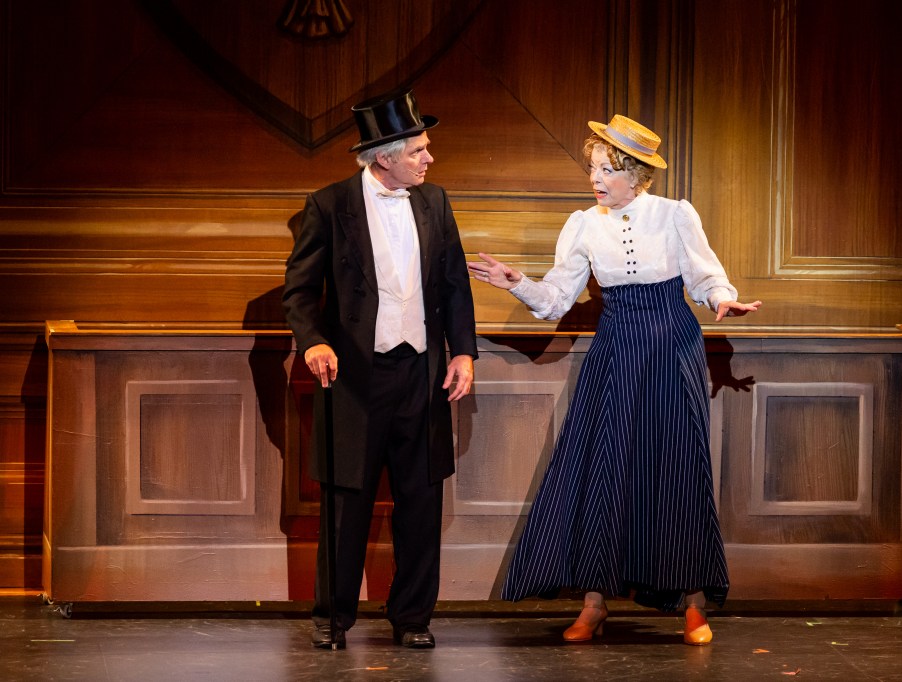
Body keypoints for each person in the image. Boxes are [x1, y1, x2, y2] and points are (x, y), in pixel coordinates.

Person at [468, 114, 760, 645]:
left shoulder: (673, 214)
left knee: (677, 467)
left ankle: (693, 603)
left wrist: (722, 299)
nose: (595, 179)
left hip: (672, 346)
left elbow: (705, 275)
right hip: (616, 348)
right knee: (604, 468)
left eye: (607, 169)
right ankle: (594, 604)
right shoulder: (583, 224)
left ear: (635, 174)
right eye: (593, 169)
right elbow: (555, 299)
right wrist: (517, 283)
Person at [283, 89, 477, 650]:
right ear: (384, 157)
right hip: (355, 378)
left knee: (421, 498)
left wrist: (462, 351)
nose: (429, 158)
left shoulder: (435, 201)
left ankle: (412, 618)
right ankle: (332, 617)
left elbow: (454, 284)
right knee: (348, 502)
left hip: (422, 372)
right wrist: (314, 342)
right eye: (418, 150)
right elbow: (299, 292)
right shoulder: (329, 205)